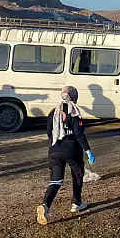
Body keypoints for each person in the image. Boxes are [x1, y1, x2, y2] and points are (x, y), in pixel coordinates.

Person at [37, 86, 96, 225]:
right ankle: (76, 203)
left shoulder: (53, 112)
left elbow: (49, 132)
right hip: (72, 150)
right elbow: (79, 134)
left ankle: (45, 205)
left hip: (54, 150)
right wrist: (87, 150)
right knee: (78, 174)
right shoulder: (73, 111)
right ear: (74, 96)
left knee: (56, 181)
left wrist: (55, 144)